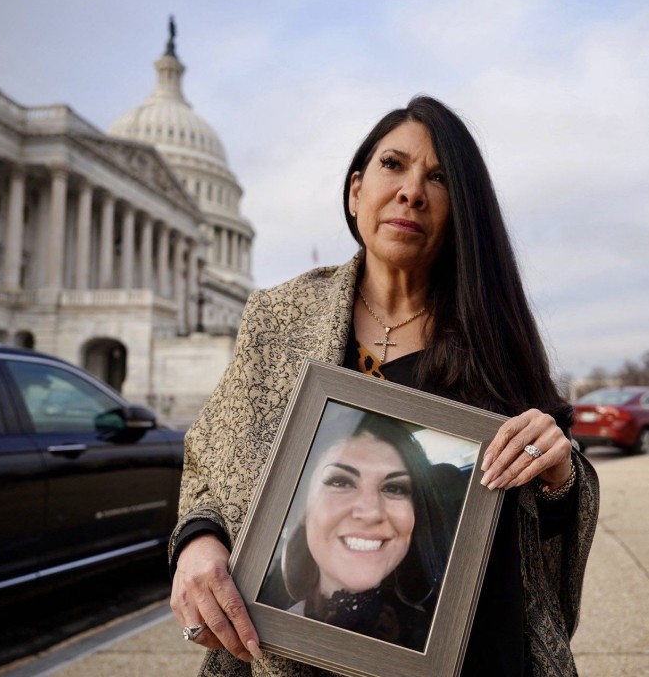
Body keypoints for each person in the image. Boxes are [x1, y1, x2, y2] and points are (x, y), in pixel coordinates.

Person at [168, 96, 600, 677]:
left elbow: (543, 514)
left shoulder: (495, 336)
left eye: (438, 177)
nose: (411, 191)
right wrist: (198, 541)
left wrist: (558, 474)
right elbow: (211, 463)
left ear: (459, 211)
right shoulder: (277, 318)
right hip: (297, 656)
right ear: (355, 191)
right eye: (393, 165)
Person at [259, 412, 454, 651]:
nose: (371, 512)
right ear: (301, 508)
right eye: (340, 482)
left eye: (394, 487)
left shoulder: (444, 644)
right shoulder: (259, 629)